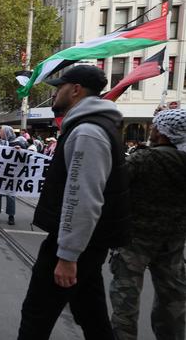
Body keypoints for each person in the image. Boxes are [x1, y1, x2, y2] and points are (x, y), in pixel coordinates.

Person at [17, 66, 130, 339]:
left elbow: (83, 198)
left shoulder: (87, 132)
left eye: (60, 87)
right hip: (89, 243)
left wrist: (68, 254)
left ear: (76, 89)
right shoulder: (91, 127)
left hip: (75, 245)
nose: (55, 93)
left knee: (37, 313)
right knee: (92, 314)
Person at [109, 108, 186, 340]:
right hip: (172, 241)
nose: (151, 130)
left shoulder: (144, 158)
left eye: (154, 126)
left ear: (163, 133)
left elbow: (117, 190)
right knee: (172, 299)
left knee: (126, 299)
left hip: (136, 240)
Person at [0, 125, 26, 225]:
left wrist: (21, 150)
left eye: (1, 131)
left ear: (6, 132)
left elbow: (27, 155)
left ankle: (11, 215)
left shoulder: (18, 143)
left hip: (11, 174)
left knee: (10, 195)